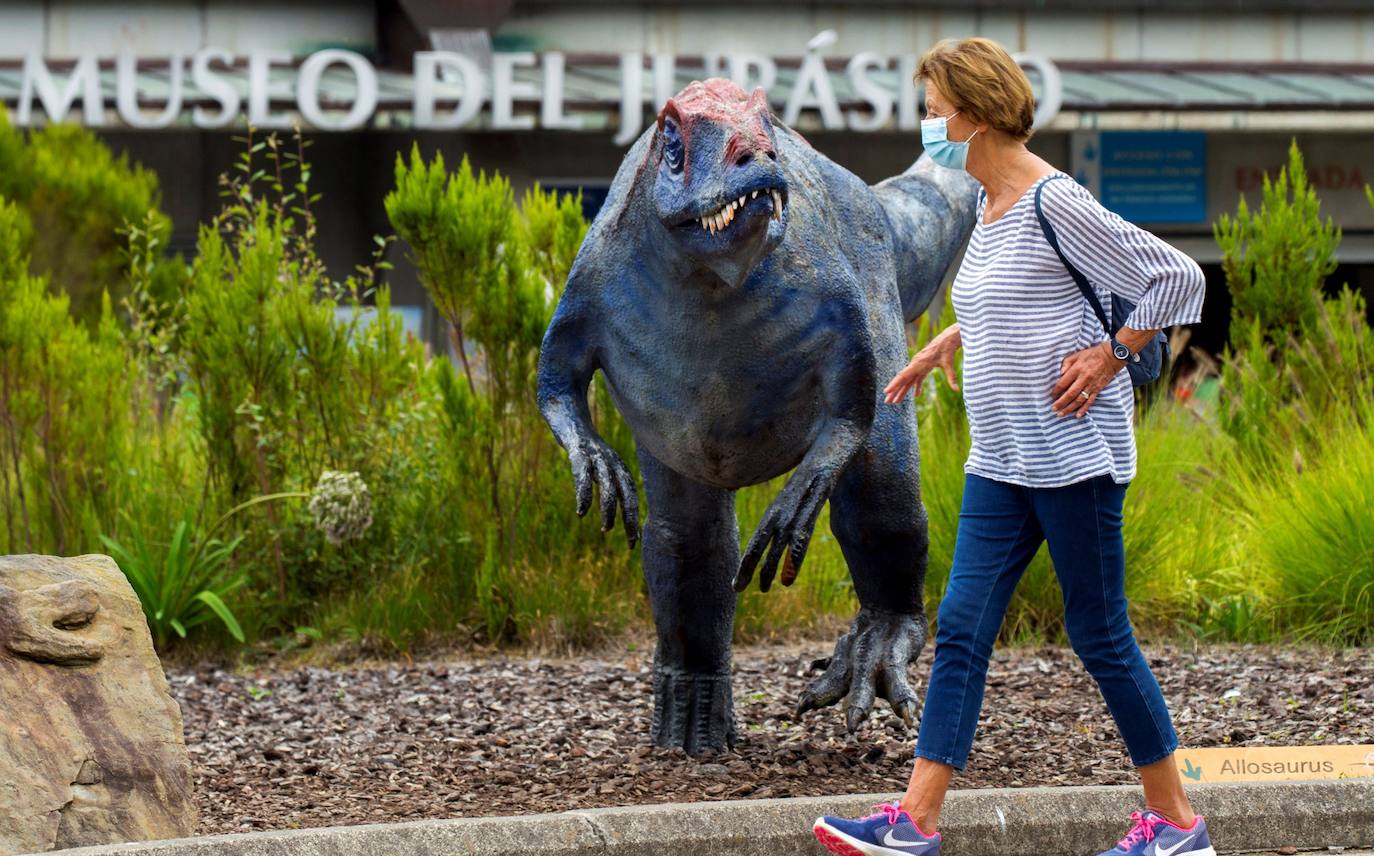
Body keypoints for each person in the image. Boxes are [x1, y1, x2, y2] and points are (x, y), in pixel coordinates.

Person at [810, 37, 1213, 856]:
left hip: (1071, 461)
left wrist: (1111, 354)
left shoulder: (1052, 199)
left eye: (932, 113)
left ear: (977, 114)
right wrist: (951, 339)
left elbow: (1176, 279)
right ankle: (916, 822)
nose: (926, 128)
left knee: (1100, 635)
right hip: (1002, 460)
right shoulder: (988, 209)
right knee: (959, 627)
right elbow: (1030, 293)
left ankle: (1178, 826)